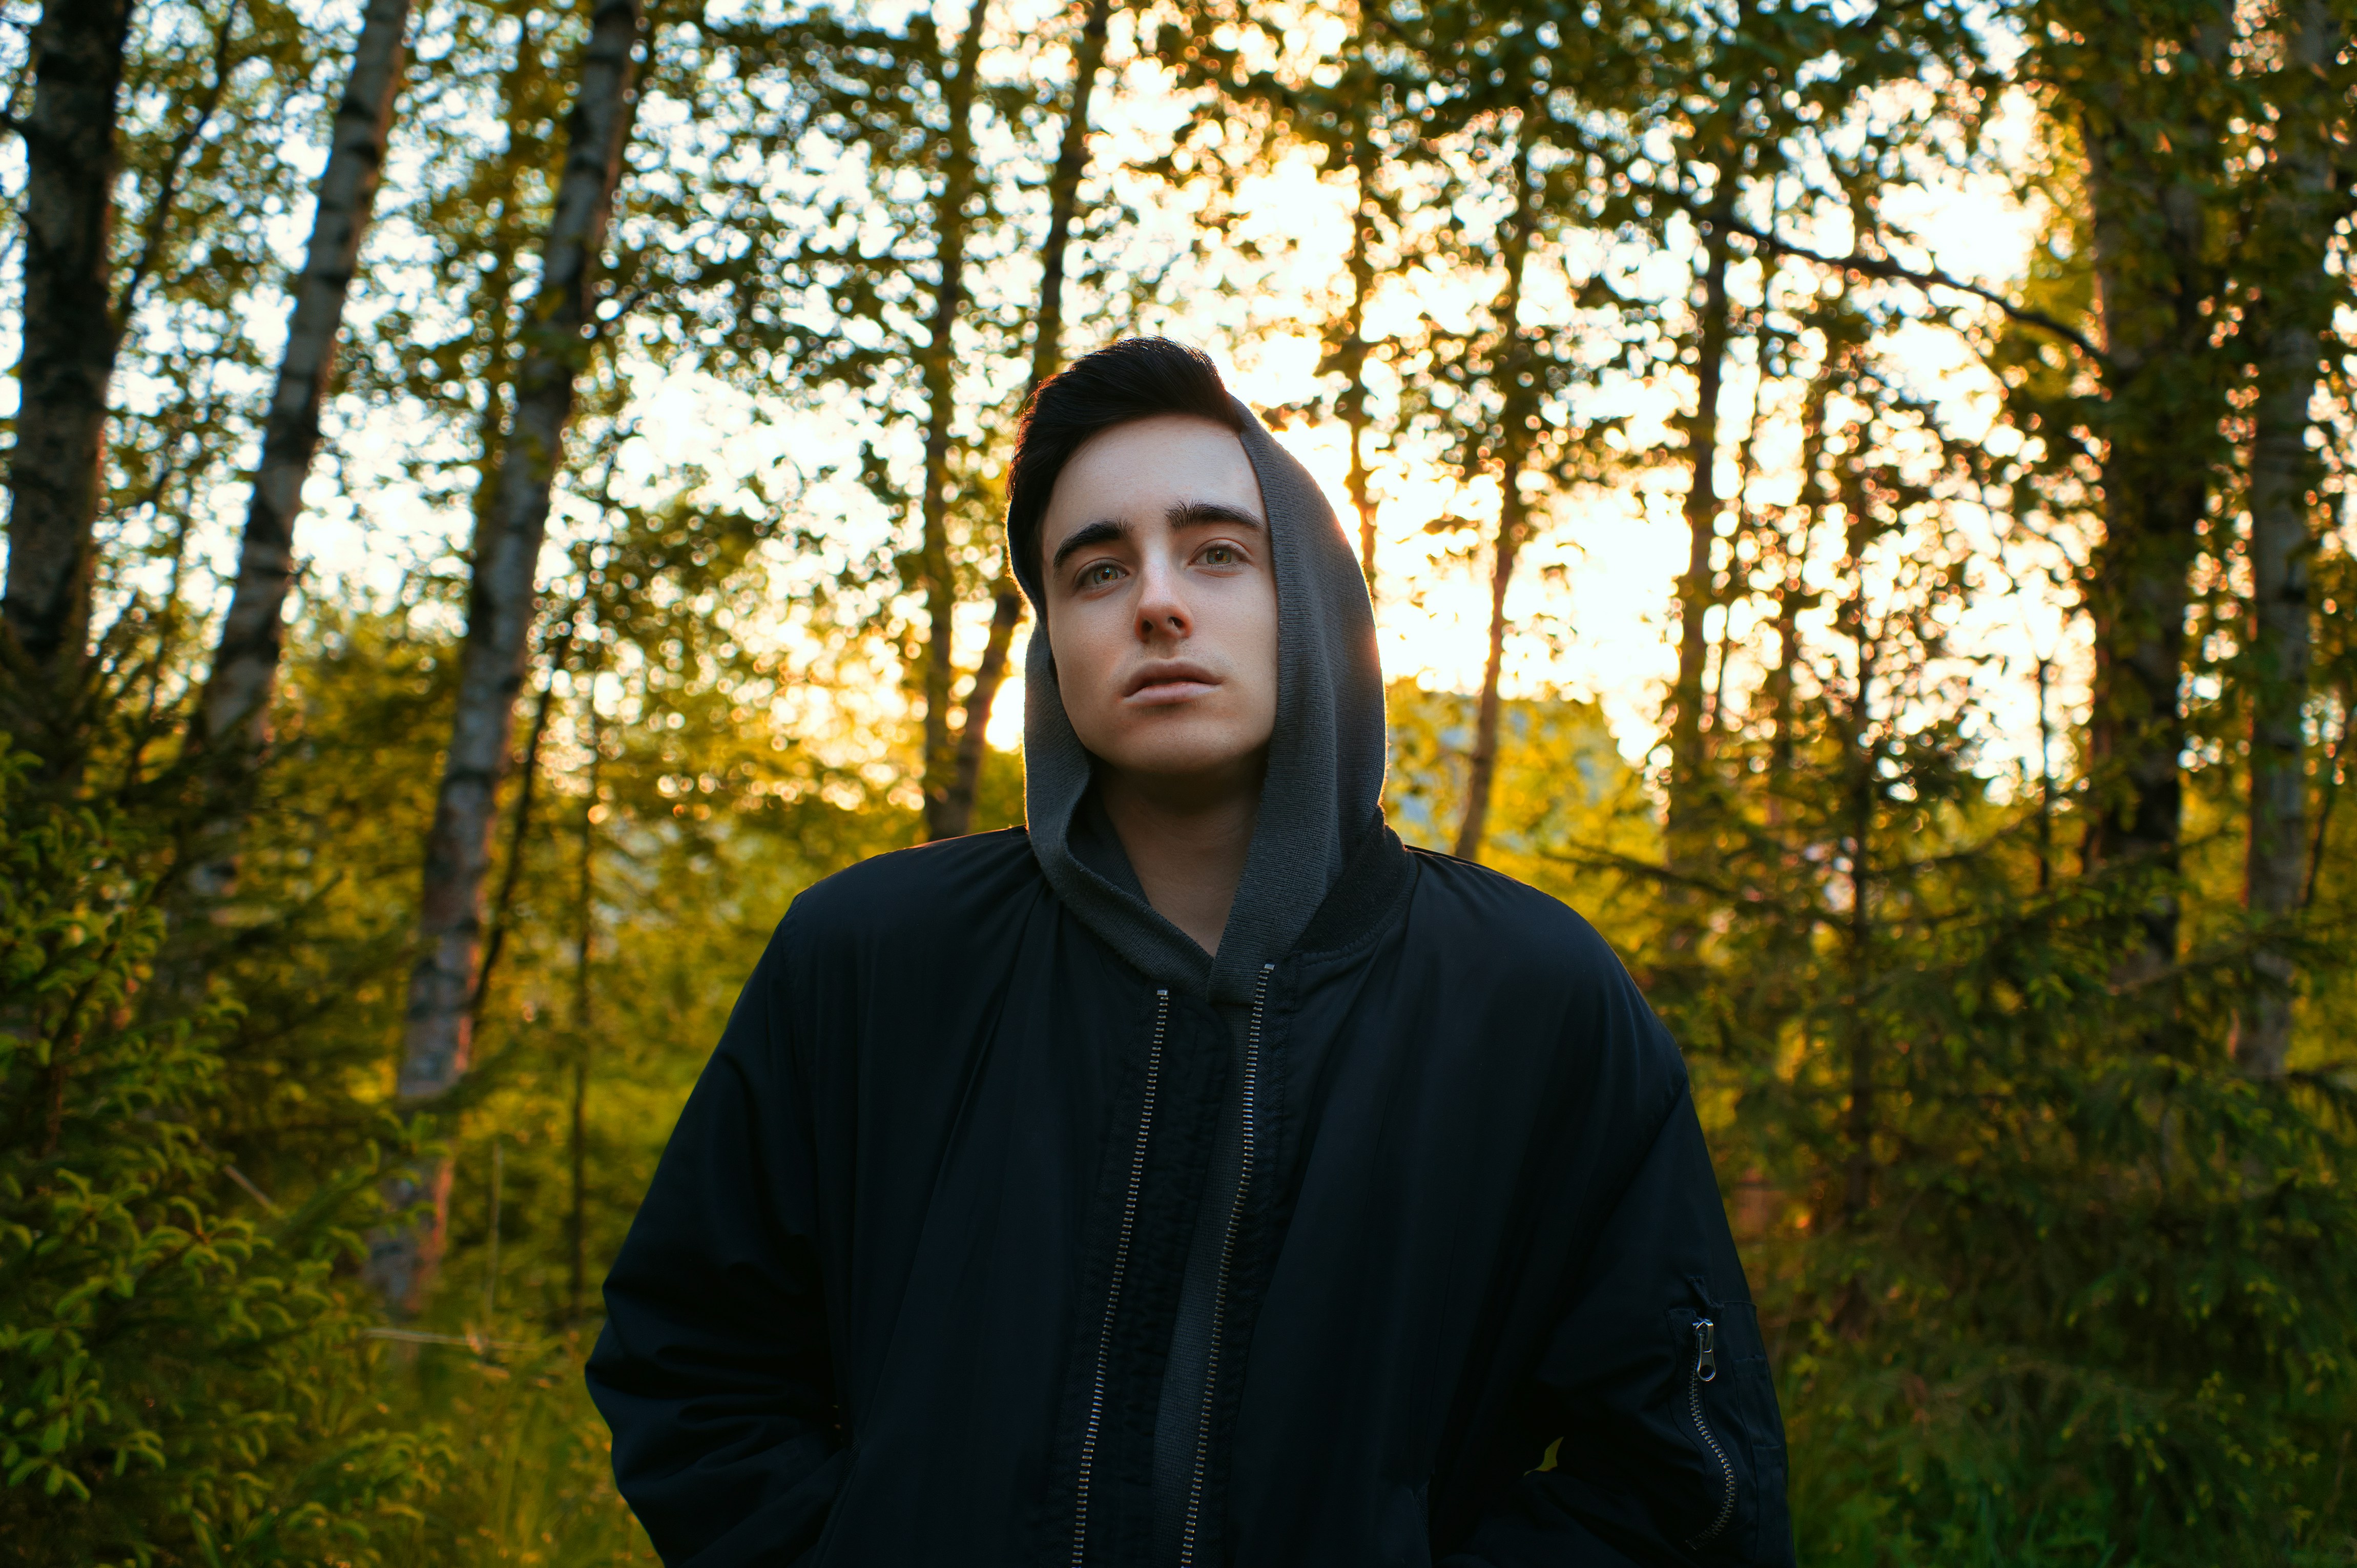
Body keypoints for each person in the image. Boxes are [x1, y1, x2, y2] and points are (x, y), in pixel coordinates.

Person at [586, 337, 1794, 1567]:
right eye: (1095, 569)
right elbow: (694, 1368)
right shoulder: (871, 958)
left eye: (1216, 552)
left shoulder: (1530, 1001)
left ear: (1312, 603)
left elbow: (1679, 1478)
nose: (1157, 599)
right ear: (1053, 639)